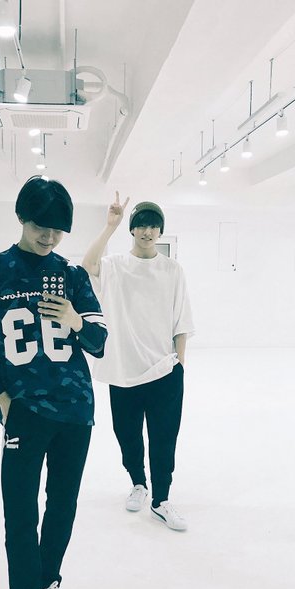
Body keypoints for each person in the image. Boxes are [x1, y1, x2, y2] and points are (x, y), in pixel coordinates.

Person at [0, 176, 107, 589]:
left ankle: (47, 582)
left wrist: (75, 320)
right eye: (42, 225)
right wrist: (1, 395)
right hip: (24, 410)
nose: (50, 236)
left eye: (59, 229)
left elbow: (99, 343)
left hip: (76, 409)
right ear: (22, 217)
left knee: (62, 503)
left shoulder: (72, 275)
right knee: (19, 511)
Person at [82, 193, 194, 531]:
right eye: (142, 225)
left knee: (164, 439)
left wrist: (180, 365)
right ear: (132, 230)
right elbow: (87, 266)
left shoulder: (172, 270)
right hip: (124, 370)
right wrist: (109, 226)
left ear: (160, 231)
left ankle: (161, 500)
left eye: (154, 226)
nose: (148, 231)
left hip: (164, 370)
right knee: (127, 435)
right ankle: (138, 484)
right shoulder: (115, 265)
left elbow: (182, 320)